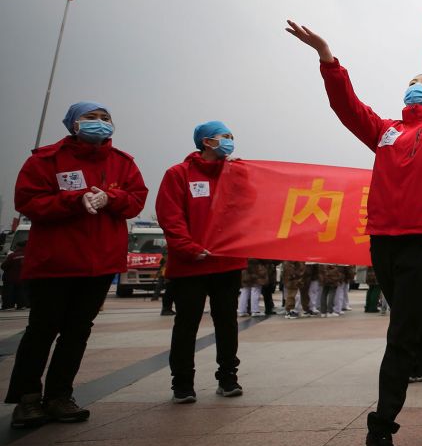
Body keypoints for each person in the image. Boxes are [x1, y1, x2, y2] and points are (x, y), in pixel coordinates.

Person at [287, 12, 422, 446]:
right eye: (413, 81)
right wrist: (328, 59)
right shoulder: (384, 130)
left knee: (402, 332)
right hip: (383, 241)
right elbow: (347, 107)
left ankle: (381, 427)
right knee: (418, 326)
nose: (417, 86)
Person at [6, 102, 147, 427]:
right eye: (91, 118)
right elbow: (27, 200)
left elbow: (136, 199)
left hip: (98, 264)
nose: (99, 123)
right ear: (72, 124)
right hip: (56, 262)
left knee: (77, 331)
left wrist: (112, 199)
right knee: (42, 330)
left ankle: (59, 396)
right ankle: (27, 400)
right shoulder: (46, 159)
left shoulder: (122, 163)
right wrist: (74, 199)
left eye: (105, 118)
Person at [158, 121, 248, 404]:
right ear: (207, 142)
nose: (230, 141)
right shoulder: (178, 174)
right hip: (190, 264)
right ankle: (183, 383)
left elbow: (250, 210)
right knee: (187, 324)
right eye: (225, 137)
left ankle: (228, 377)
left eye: (232, 137)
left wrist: (243, 174)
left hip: (226, 263)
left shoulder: (236, 174)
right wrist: (188, 248)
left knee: (227, 323)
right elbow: (170, 217)